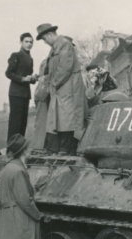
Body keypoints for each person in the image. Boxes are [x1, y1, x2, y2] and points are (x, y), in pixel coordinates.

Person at [36, 23, 86, 156]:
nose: (45, 42)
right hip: (61, 87)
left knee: (66, 118)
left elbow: (64, 68)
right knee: (59, 118)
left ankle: (66, 149)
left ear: (49, 35)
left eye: (45, 39)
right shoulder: (55, 47)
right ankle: (60, 148)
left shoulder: (64, 44)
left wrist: (53, 83)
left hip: (68, 87)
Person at [5, 33, 38, 142]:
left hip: (25, 94)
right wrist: (23, 79)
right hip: (16, 93)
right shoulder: (16, 55)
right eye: (26, 41)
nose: (29, 44)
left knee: (23, 123)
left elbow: (28, 77)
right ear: (21, 42)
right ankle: (11, 149)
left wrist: (33, 78)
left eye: (31, 42)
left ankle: (18, 149)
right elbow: (9, 73)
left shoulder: (30, 59)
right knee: (15, 123)